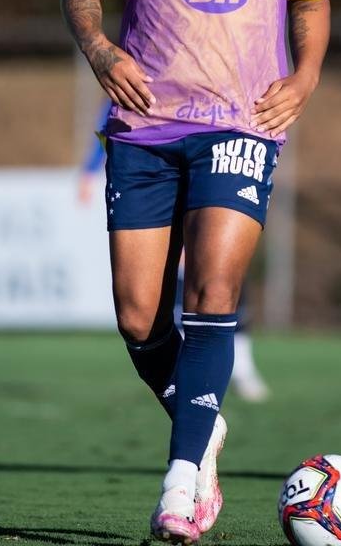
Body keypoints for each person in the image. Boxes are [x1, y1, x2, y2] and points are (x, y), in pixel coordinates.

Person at [61, 0, 330, 541]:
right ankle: (199, 422)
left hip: (242, 125)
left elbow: (312, 2)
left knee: (212, 291)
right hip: (145, 130)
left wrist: (306, 76)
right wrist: (103, 52)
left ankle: (183, 483)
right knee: (140, 317)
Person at [79, 100, 271, 403]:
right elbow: (115, 107)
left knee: (219, 278)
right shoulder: (146, 66)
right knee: (149, 308)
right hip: (155, 159)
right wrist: (90, 168)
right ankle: (188, 385)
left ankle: (242, 368)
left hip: (219, 151)